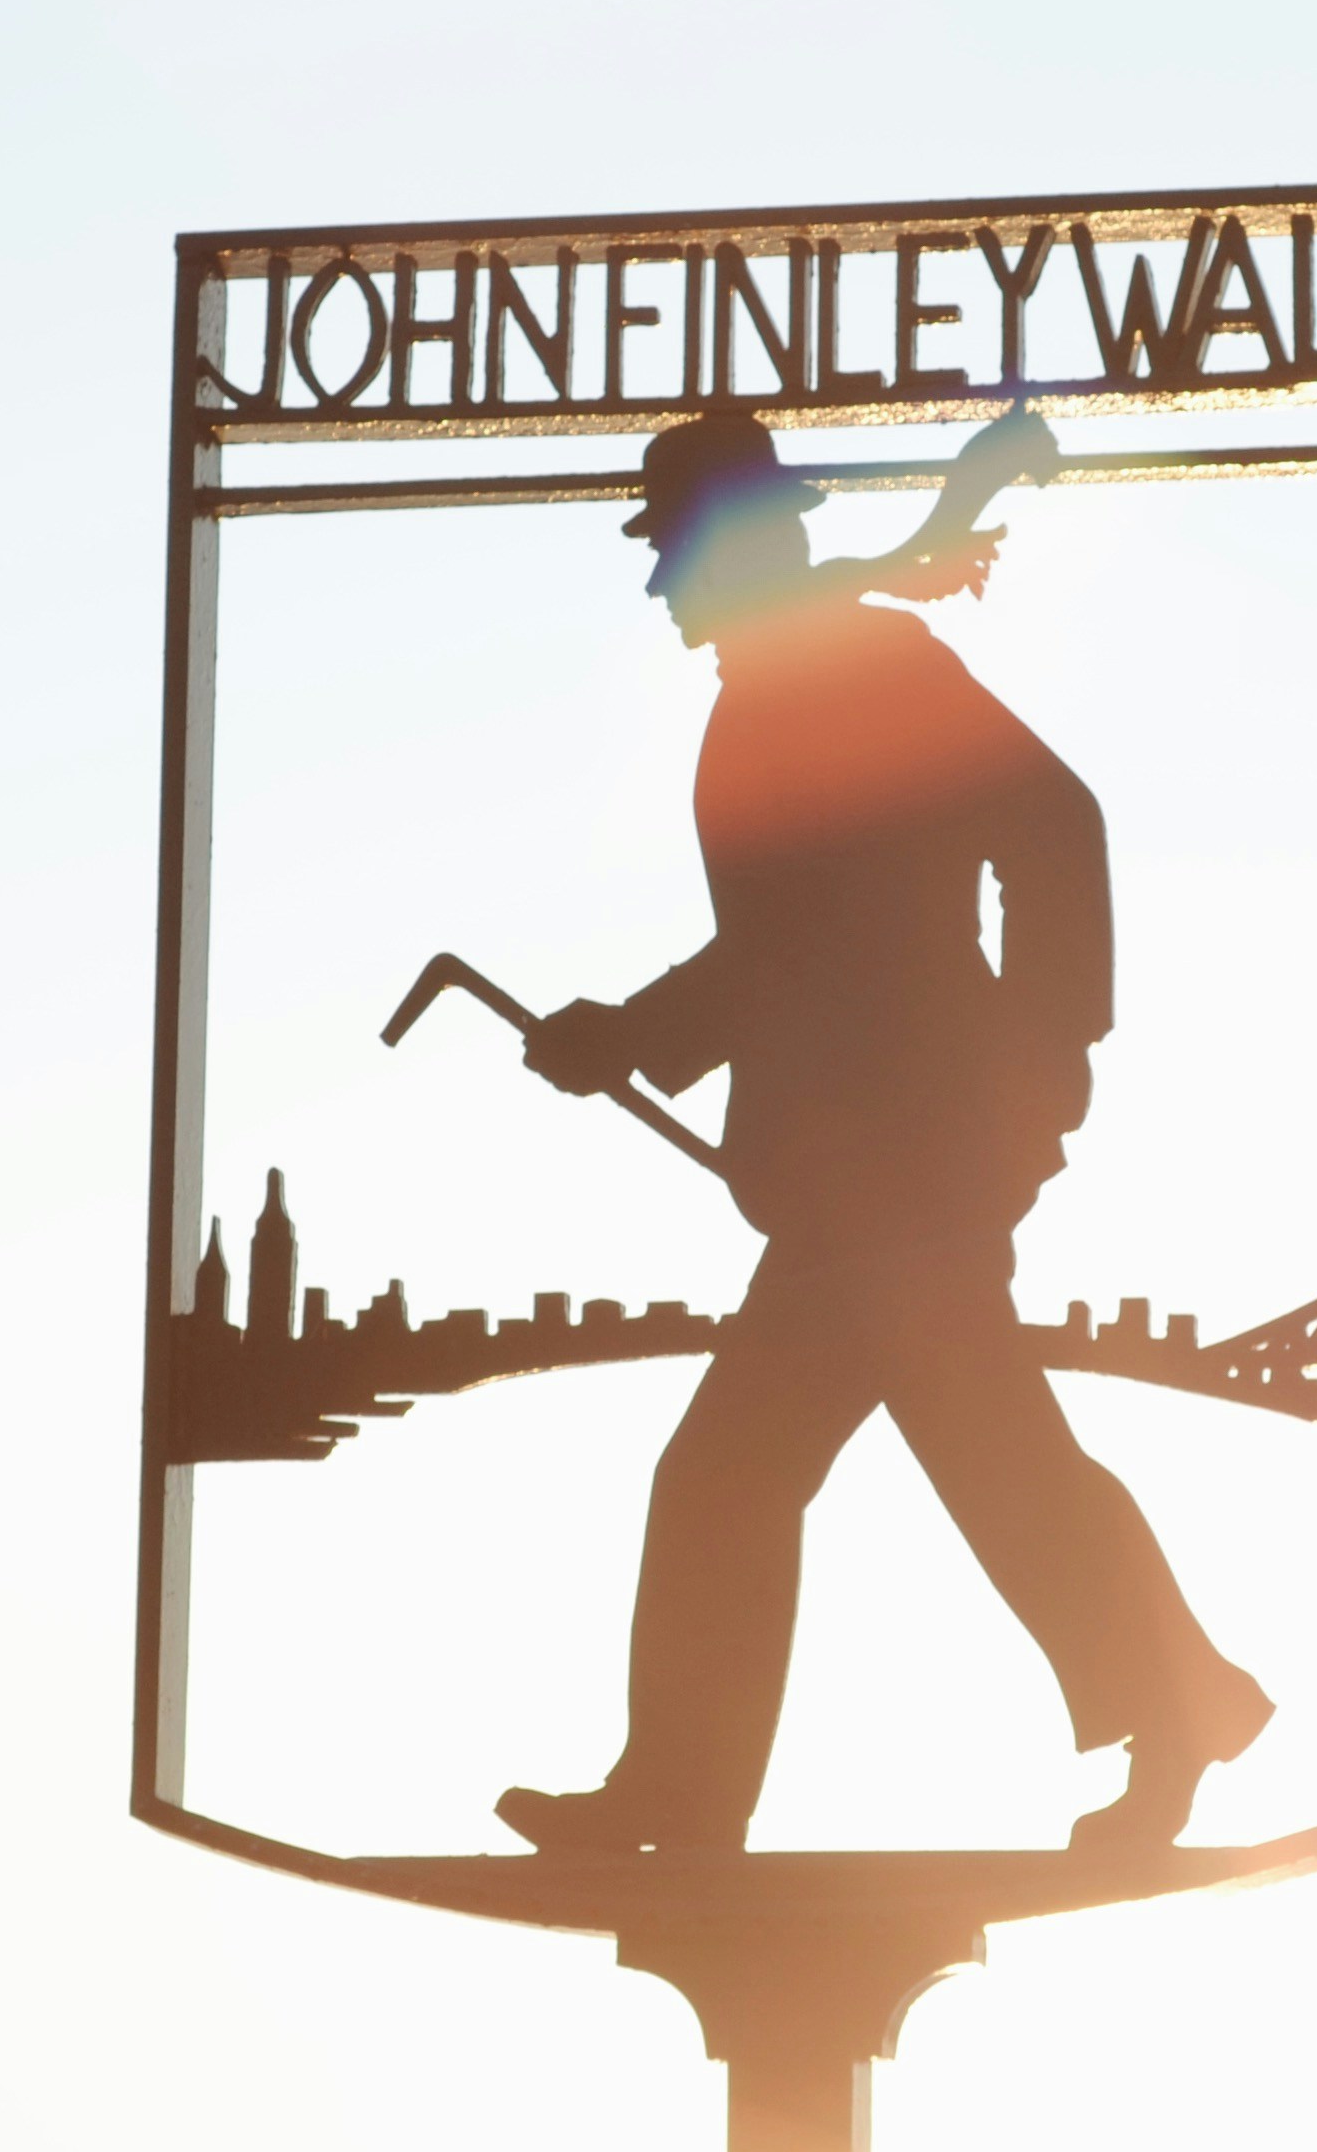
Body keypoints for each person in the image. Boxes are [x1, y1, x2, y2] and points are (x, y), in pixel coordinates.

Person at [496, 406, 1271, 1857]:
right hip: (868, 1166)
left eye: (672, 550)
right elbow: (794, 951)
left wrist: (1048, 1047)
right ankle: (1183, 1708)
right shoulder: (786, 688)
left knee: (761, 1470)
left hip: (906, 1164)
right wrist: (639, 1035)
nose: (662, 585)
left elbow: (1046, 828)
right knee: (967, 1454)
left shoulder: (854, 673)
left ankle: (686, 1791)